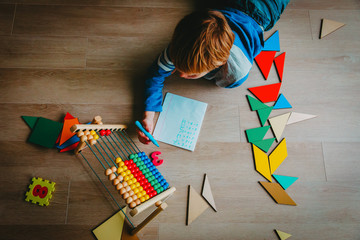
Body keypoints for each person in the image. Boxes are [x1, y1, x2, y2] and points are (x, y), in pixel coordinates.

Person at [137, 0, 290, 144]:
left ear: (218, 65)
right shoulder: (177, 49)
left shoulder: (235, 73)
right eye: (177, 66)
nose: (181, 76)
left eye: (192, 75)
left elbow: (221, 82)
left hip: (265, 9)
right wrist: (148, 115)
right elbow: (155, 75)